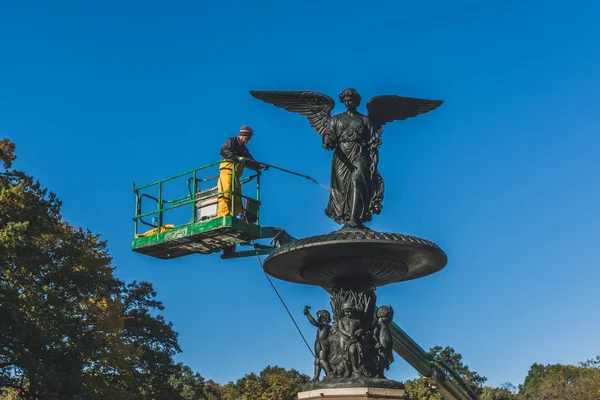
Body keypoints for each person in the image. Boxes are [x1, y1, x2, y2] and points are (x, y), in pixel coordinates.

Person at [217, 126, 254, 218]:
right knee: (226, 192)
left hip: (236, 175)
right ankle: (223, 214)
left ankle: (238, 214)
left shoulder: (243, 149)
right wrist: (236, 158)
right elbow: (223, 151)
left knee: (237, 194)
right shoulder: (232, 141)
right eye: (248, 136)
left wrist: (259, 165)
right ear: (244, 135)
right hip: (227, 171)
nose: (249, 139)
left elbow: (249, 160)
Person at [303, 306, 333, 382]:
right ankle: (316, 377)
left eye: (321, 316)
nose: (319, 318)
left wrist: (307, 314)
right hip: (318, 343)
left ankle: (329, 375)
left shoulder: (325, 325)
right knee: (317, 361)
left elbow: (313, 322)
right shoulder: (323, 325)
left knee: (322, 360)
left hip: (323, 344)